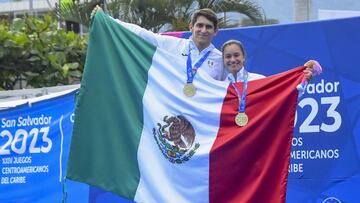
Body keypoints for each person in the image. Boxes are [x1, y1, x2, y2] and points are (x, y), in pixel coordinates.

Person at [91, 6, 226, 81]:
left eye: (208, 27)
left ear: (215, 31)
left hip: (203, 119)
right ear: (191, 27)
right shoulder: (173, 45)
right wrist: (107, 20)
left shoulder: (221, 59)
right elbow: (142, 34)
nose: (203, 30)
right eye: (199, 25)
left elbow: (233, 88)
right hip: (172, 113)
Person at [221, 39, 316, 82]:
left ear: (244, 57)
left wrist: (302, 80)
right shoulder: (219, 87)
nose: (232, 60)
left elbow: (283, 95)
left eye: (236, 55)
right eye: (228, 56)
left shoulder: (259, 80)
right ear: (223, 59)